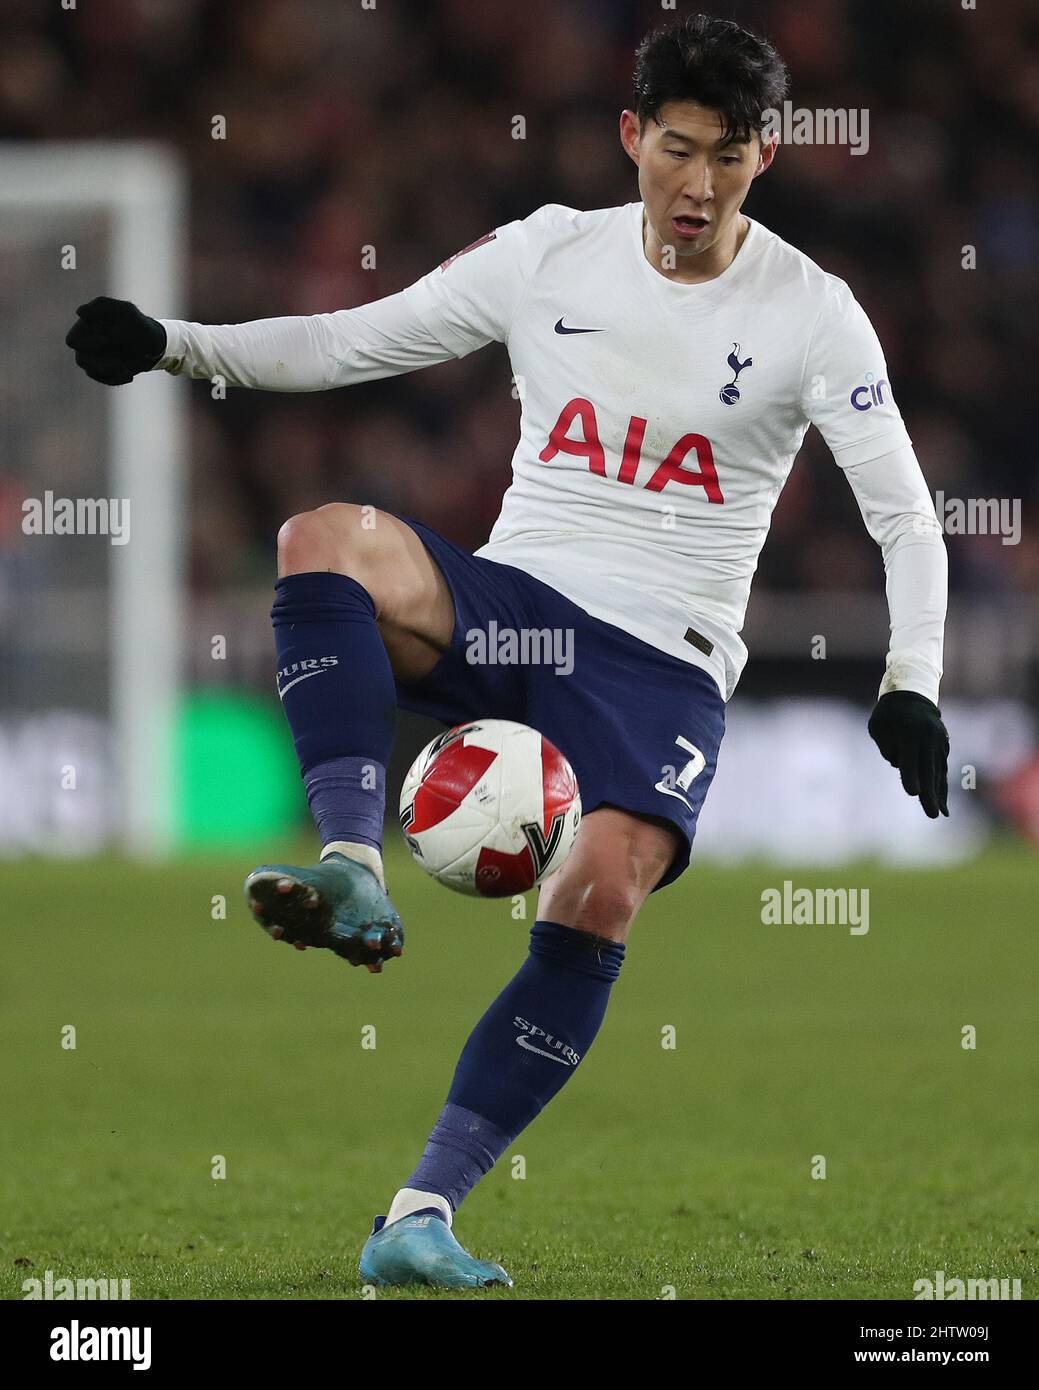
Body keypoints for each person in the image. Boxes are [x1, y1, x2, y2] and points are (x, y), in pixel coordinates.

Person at [66, 13, 950, 1291]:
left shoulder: (816, 314)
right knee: (324, 536)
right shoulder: (549, 255)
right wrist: (175, 344)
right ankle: (350, 865)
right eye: (679, 150)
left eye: (732, 158)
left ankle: (418, 1213)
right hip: (518, 595)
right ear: (631, 135)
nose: (698, 187)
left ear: (768, 158)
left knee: (598, 891)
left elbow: (905, 514)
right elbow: (349, 337)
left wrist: (909, 682)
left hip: (663, 658)